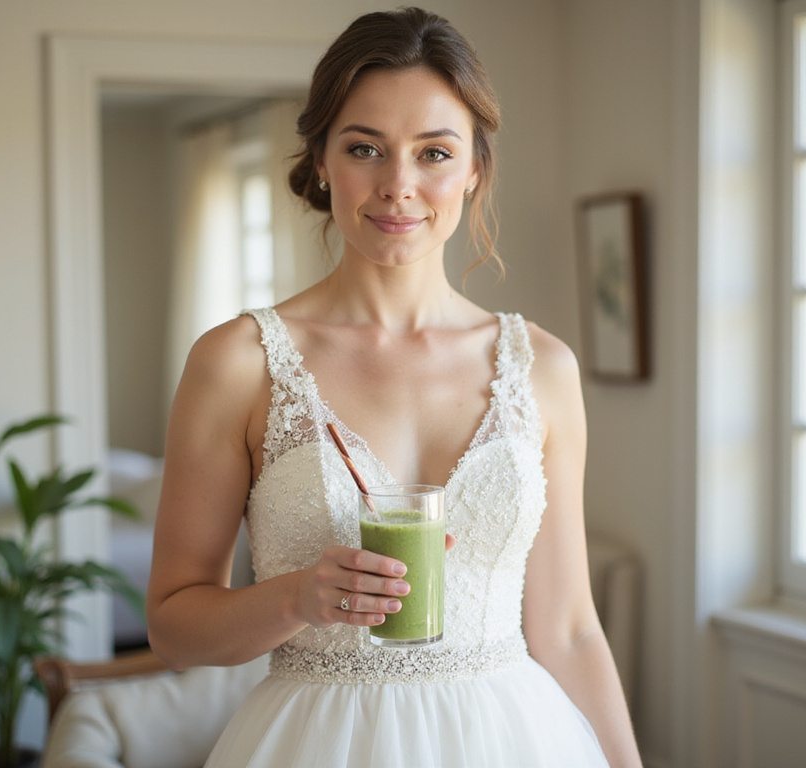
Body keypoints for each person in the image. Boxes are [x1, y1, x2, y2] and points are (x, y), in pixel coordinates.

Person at [146, 7, 643, 767]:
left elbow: (570, 628)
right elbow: (174, 626)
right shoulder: (238, 363)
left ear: (475, 168)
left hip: (512, 739)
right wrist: (293, 598)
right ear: (321, 161)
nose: (398, 187)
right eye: (365, 148)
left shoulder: (542, 368)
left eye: (434, 153)